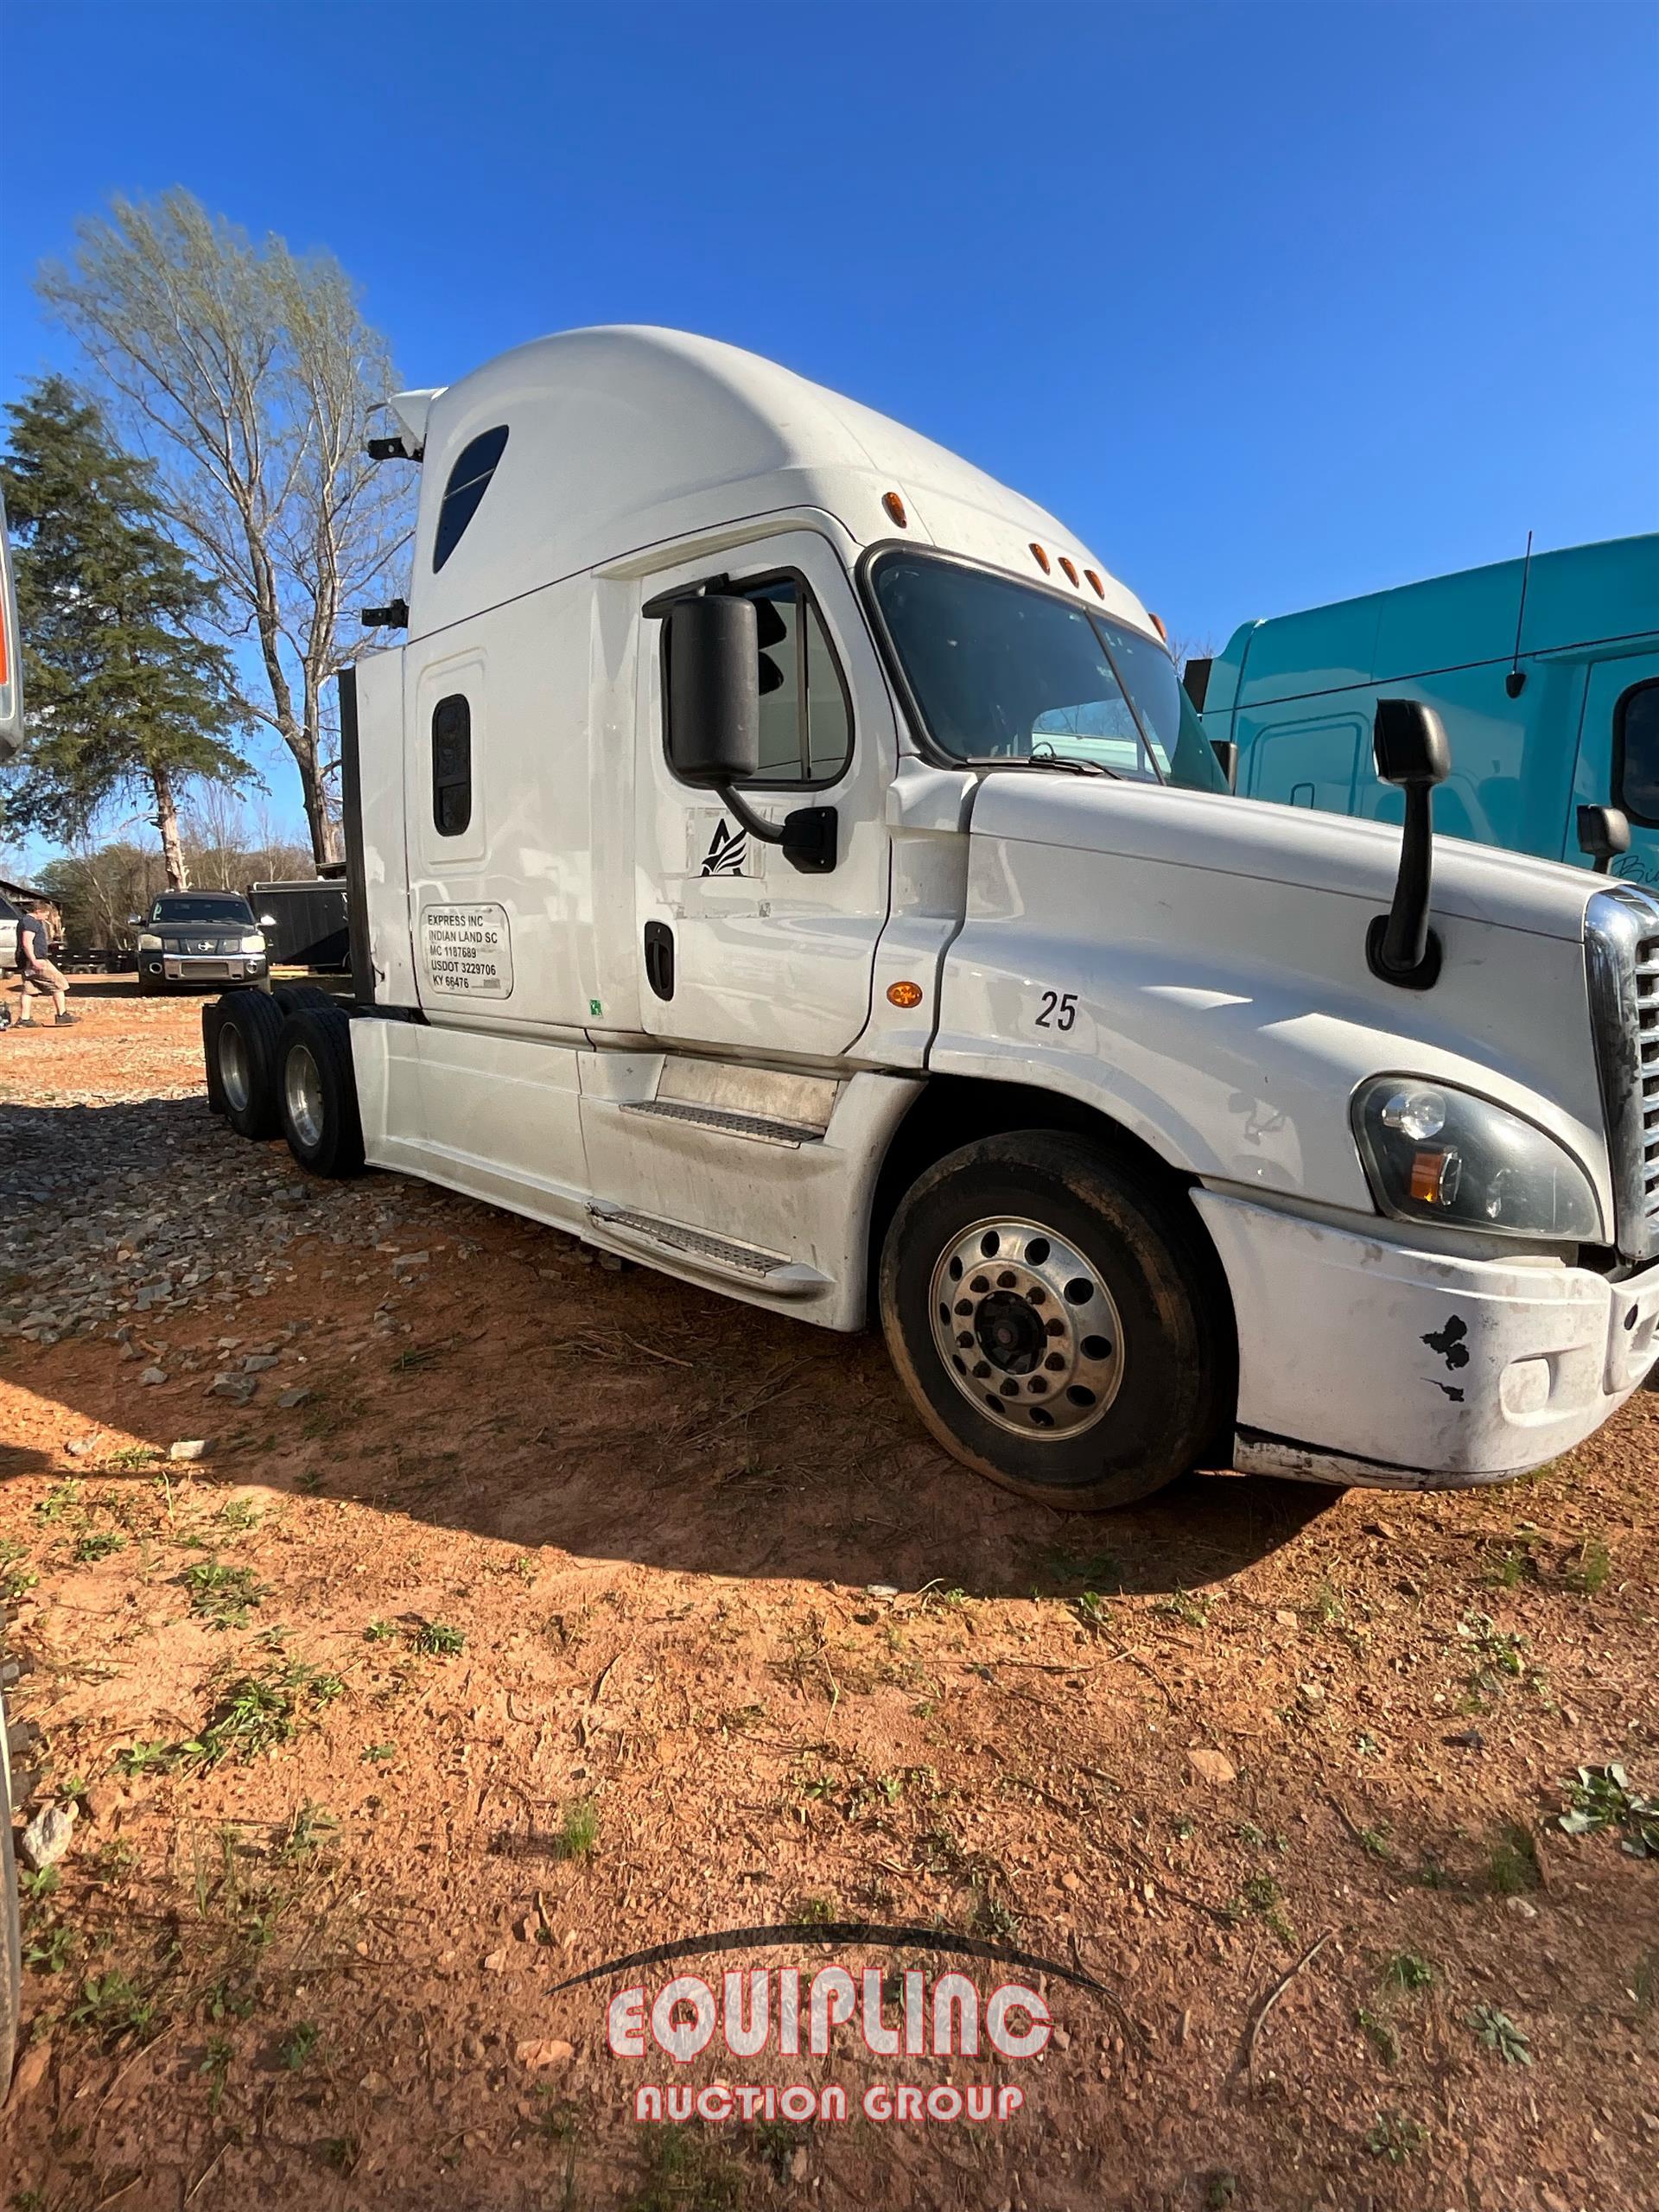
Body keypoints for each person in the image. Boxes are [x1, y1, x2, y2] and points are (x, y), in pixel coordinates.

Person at [16, 900, 74, 1026]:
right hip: (36, 960)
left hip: (26, 961)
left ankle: (24, 1019)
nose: (46, 917)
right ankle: (62, 1015)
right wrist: (34, 961)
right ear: (38, 912)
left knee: (29, 989)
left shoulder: (25, 921)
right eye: (45, 914)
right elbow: (27, 943)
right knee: (59, 983)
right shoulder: (30, 922)